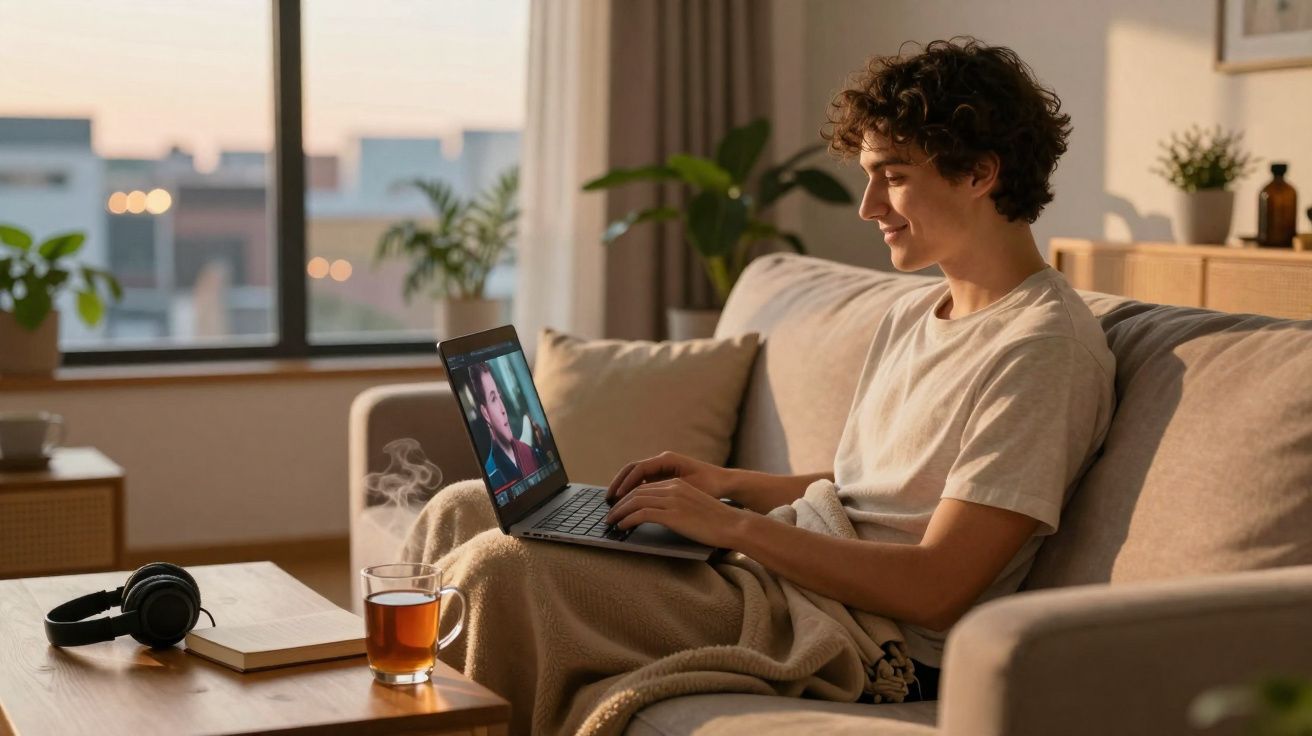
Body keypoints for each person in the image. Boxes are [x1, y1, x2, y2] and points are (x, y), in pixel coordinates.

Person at [405, 36, 1115, 733]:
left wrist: (729, 526)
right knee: (463, 508)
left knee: (499, 569)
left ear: (979, 174)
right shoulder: (916, 312)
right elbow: (875, 491)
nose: (869, 206)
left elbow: (935, 588)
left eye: (893, 175)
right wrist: (725, 483)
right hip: (787, 574)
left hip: (863, 637)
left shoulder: (1041, 349)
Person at [467, 361, 543, 493]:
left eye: (499, 396)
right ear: (486, 413)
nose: (503, 409)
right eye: (493, 399)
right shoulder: (491, 475)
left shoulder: (529, 452)